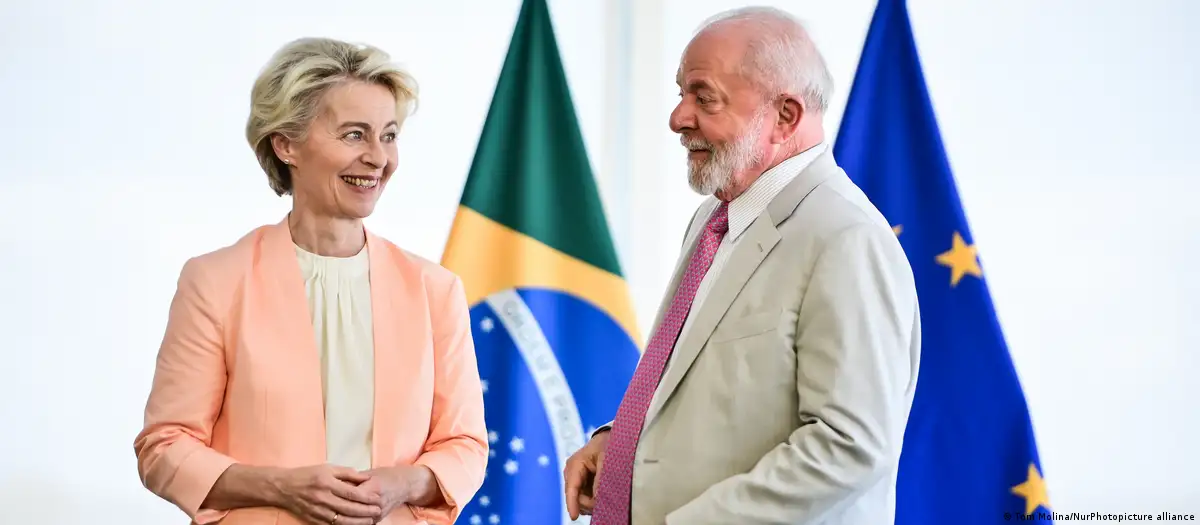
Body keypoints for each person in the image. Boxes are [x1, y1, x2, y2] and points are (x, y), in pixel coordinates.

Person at [563, 6, 921, 525]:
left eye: (703, 97)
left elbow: (849, 448)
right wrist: (621, 446)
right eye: (681, 92)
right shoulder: (714, 218)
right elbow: (709, 390)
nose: (678, 118)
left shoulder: (846, 240)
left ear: (786, 117)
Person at [133, 37, 488, 525]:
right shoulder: (215, 281)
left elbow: (464, 445)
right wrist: (281, 487)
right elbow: (164, 447)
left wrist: (401, 484)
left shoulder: (435, 290)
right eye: (353, 134)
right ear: (286, 144)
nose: (378, 158)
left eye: (388, 135)